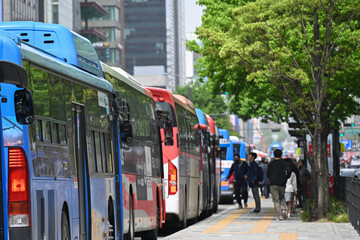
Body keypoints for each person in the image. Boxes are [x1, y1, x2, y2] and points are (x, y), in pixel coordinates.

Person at [267, 149, 291, 220]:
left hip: (273, 183)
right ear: (281, 154)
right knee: (282, 197)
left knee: (276, 200)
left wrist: (271, 178)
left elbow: (268, 174)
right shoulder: (284, 162)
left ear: (274, 155)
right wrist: (286, 177)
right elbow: (289, 171)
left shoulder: (271, 163)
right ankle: (284, 209)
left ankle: (280, 214)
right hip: (282, 183)